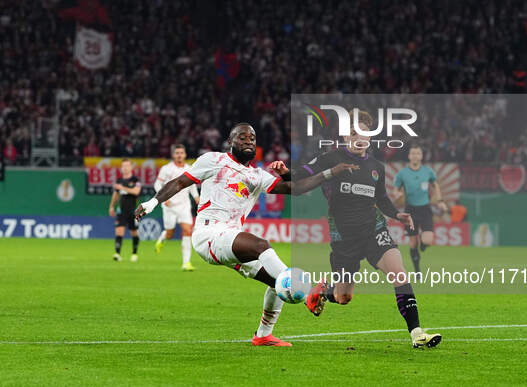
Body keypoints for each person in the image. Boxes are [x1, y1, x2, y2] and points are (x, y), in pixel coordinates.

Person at [135, 123, 356, 346]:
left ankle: (263, 335)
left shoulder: (257, 175)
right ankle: (310, 293)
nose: (249, 141)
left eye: (252, 138)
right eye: (242, 137)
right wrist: (152, 202)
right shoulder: (214, 160)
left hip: (231, 237)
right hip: (208, 233)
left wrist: (329, 173)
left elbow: (294, 188)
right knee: (262, 246)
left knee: (276, 282)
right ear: (230, 142)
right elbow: (181, 181)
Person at [292, 110, 442, 349]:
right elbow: (302, 173)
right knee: (343, 297)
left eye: (364, 133)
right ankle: (322, 292)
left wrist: (397, 214)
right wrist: (282, 172)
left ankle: (417, 333)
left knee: (399, 274)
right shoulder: (331, 158)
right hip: (344, 239)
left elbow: (381, 199)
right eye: (354, 133)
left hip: (374, 230)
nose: (359, 138)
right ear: (345, 136)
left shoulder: (376, 167)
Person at [392, 145, 448, 273]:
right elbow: (395, 190)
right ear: (409, 156)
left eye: (418, 153)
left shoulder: (428, 171)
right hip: (410, 210)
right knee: (412, 243)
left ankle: (423, 244)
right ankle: (417, 272)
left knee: (427, 240)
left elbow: (435, 185)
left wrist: (440, 201)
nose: (415, 155)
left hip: (425, 209)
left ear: (421, 156)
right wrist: (397, 194)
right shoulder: (402, 173)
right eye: (413, 153)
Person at [154, 144, 200, 271]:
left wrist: (196, 197)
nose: (179, 155)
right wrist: (163, 197)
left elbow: (191, 186)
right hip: (169, 206)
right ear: (174, 155)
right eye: (177, 153)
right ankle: (162, 239)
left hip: (184, 205)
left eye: (181, 153)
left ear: (185, 155)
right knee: (170, 233)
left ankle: (186, 263)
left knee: (187, 231)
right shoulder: (166, 169)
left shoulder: (189, 169)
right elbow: (157, 183)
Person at [108, 159, 141, 262]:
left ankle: (134, 253)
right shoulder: (119, 181)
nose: (125, 168)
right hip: (121, 211)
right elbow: (116, 195)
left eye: (127, 166)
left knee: (134, 232)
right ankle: (117, 253)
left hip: (133, 211)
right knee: (119, 231)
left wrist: (123, 187)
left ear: (131, 167)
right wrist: (111, 206)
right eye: (123, 166)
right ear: (121, 168)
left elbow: (136, 192)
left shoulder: (136, 180)